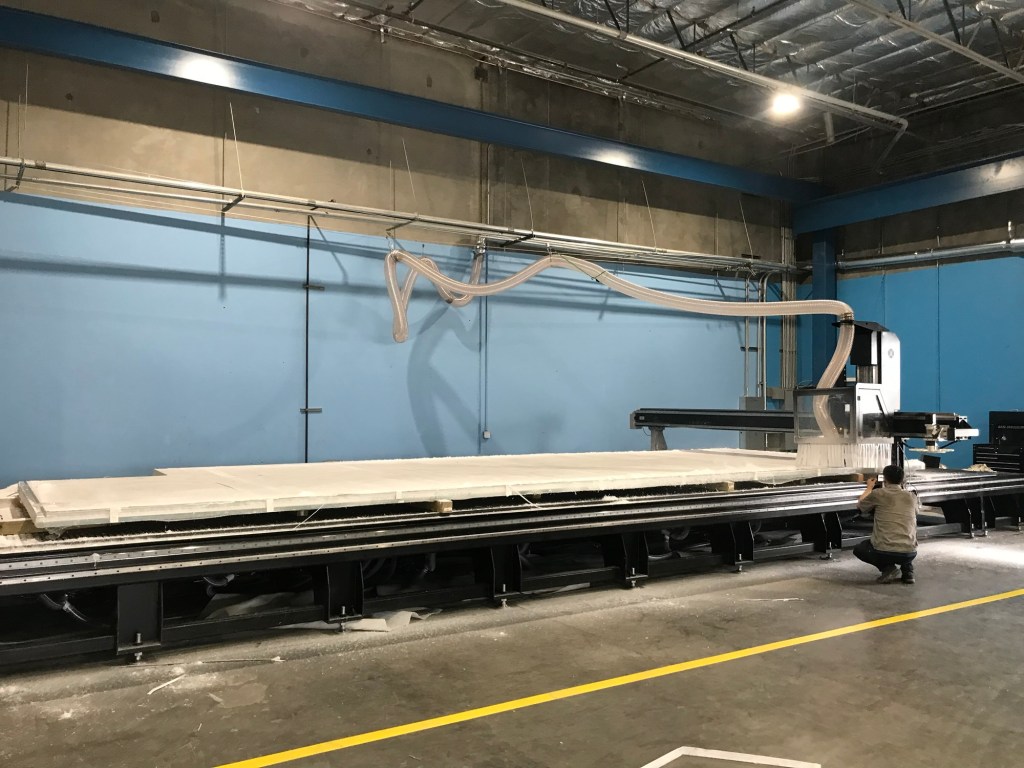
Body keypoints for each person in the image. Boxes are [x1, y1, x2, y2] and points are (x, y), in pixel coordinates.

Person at [853, 464, 918, 584]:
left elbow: (860, 505)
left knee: (860, 549)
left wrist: (869, 488)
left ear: (885, 479)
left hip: (884, 552)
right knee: (903, 531)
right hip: (910, 553)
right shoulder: (912, 496)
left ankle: (888, 568)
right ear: (902, 480)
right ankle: (908, 573)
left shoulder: (878, 494)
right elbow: (915, 512)